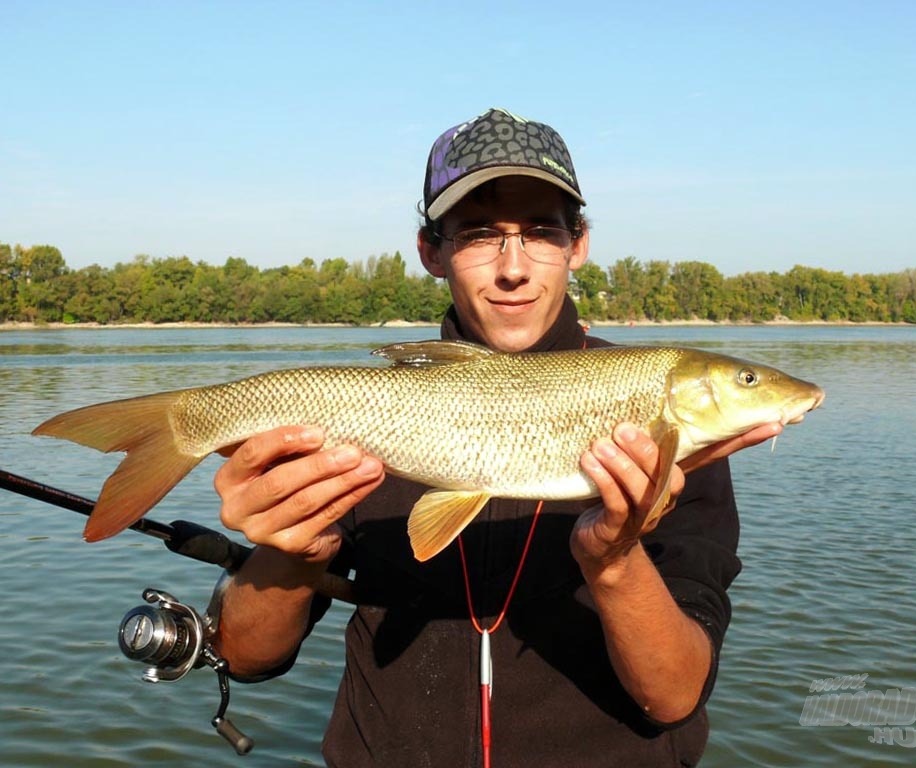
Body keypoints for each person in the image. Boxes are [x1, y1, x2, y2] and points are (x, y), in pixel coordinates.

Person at [211, 108, 782, 767]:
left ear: (578, 245)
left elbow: (674, 696)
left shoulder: (670, 427)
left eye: (541, 232)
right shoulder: (363, 412)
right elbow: (246, 658)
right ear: (432, 251)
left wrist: (614, 560)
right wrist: (293, 553)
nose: (513, 268)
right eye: (480, 235)